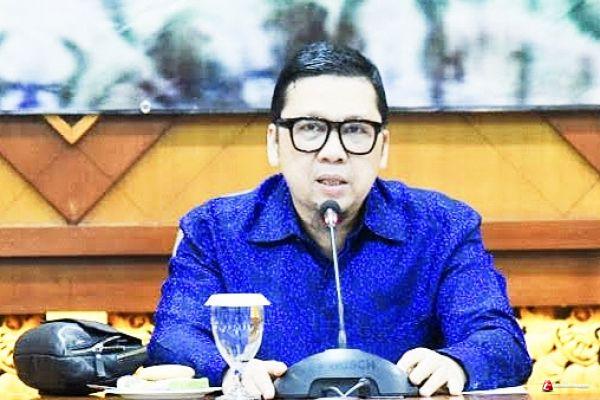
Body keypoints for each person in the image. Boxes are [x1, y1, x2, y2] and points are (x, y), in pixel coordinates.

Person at [148, 42, 532, 397]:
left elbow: (499, 339)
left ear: (382, 147)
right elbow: (173, 338)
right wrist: (233, 372)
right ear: (274, 142)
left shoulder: (443, 228)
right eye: (310, 128)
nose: (333, 152)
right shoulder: (214, 231)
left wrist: (457, 364)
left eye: (355, 130)